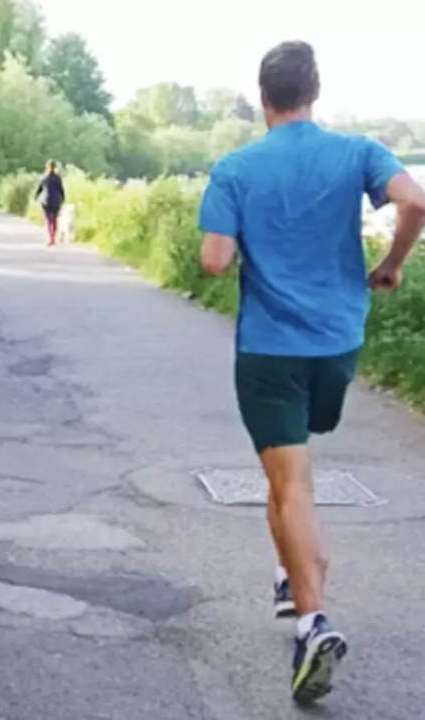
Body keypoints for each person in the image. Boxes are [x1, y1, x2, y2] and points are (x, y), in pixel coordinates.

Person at [198, 40, 425, 705]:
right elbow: (415, 202)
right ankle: (291, 575)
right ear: (313, 92)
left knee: (288, 480)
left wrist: (237, 245)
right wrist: (391, 265)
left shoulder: (236, 167)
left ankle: (312, 620)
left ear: (262, 98)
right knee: (291, 472)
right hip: (337, 344)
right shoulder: (358, 153)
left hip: (270, 349)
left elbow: (213, 261)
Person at [34, 160, 65, 246]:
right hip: (56, 201)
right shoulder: (58, 178)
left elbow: (39, 189)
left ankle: (51, 238)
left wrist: (35, 197)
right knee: (55, 219)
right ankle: (53, 238)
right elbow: (61, 190)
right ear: (55, 167)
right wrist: (62, 199)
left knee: (48, 220)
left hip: (46, 200)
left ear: (47, 167)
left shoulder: (44, 177)